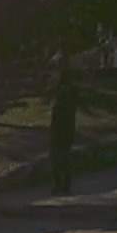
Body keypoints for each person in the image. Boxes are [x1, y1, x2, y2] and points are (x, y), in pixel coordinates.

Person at [49, 61, 79, 195]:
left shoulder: (63, 93)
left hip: (61, 130)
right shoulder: (70, 91)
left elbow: (58, 113)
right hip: (67, 129)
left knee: (58, 158)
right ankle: (64, 185)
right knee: (64, 158)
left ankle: (59, 185)